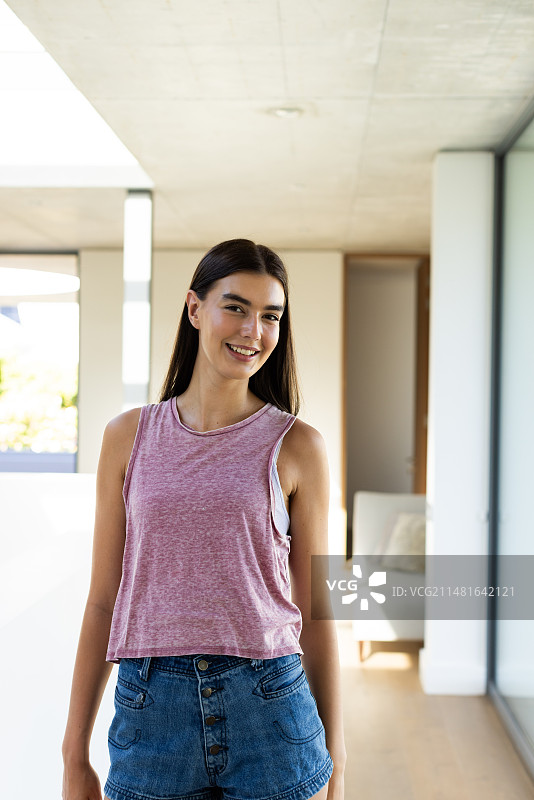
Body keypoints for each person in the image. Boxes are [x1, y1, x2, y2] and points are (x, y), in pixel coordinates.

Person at [61, 238, 347, 800]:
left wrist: (338, 760)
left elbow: (315, 609)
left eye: (270, 316)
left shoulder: (298, 447)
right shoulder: (128, 438)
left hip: (271, 710)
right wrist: (74, 755)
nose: (253, 331)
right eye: (235, 307)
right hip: (150, 716)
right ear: (194, 309)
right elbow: (103, 599)